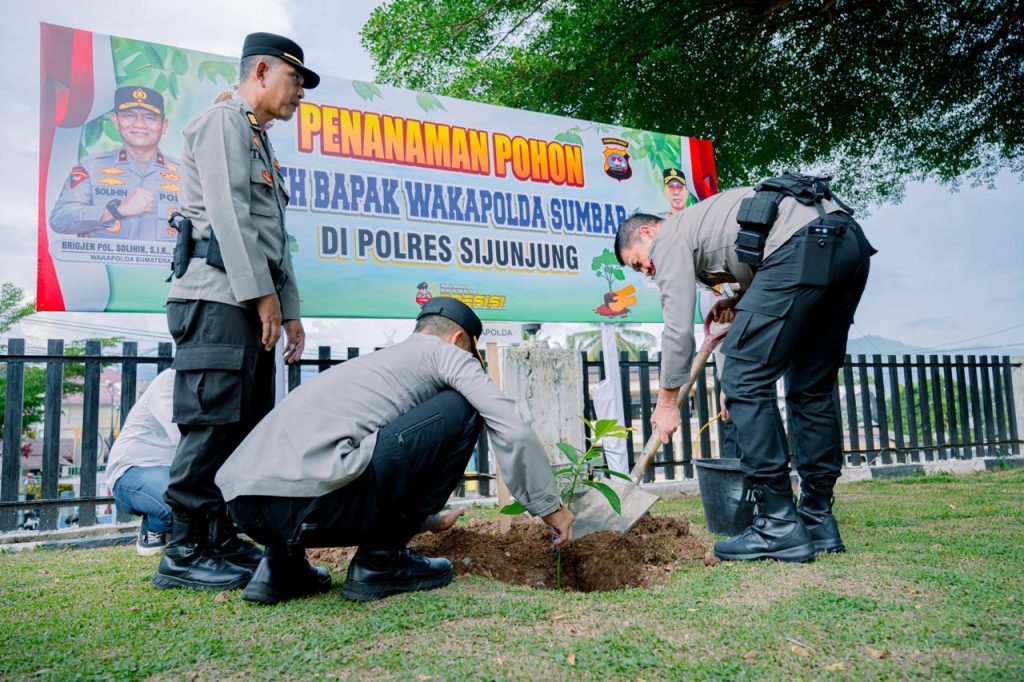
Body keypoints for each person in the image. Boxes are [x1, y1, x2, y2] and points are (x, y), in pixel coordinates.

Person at [215, 297, 574, 604]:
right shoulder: (446, 353)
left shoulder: (374, 366)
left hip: (246, 508)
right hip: (313, 504)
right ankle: (382, 561)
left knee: (329, 445)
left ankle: (279, 568)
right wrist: (549, 507)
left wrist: (429, 521)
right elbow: (509, 423)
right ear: (459, 339)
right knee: (466, 408)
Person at [615, 173, 875, 563]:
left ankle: (778, 525)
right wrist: (740, 297)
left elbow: (677, 325)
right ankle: (817, 518)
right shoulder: (706, 222)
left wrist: (667, 401)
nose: (646, 272)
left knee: (742, 377)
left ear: (649, 233)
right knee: (810, 387)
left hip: (803, 245)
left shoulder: (670, 237)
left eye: (638, 264)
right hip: (846, 244)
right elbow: (774, 258)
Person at [153, 33, 320, 591]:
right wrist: (263, 296)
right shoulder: (223, 122)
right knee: (211, 425)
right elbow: (228, 214)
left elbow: (274, 237)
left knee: (243, 427)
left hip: (247, 300)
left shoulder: (259, 141)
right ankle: (185, 551)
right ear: (263, 71)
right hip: (216, 298)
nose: (300, 93)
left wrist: (288, 309)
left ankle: (220, 540)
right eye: (296, 80)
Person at [50, 86, 181, 241]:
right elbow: (59, 218)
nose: (139, 124)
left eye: (150, 118)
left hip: (168, 265)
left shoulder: (185, 173)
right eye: (129, 116)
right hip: (105, 264)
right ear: (116, 120)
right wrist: (116, 211)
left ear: (164, 125)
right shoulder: (90, 167)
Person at [106, 369, 178, 555]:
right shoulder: (169, 381)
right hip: (134, 470)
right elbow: (182, 436)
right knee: (180, 503)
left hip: (177, 469)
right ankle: (154, 525)